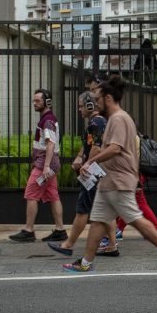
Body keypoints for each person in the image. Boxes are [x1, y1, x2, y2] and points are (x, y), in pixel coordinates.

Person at [61, 76, 157, 272]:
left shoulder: (118, 119)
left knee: (135, 218)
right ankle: (85, 262)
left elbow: (115, 148)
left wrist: (90, 161)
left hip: (119, 180)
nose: (95, 103)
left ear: (108, 98)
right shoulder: (113, 119)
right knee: (99, 220)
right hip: (109, 182)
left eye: (98, 99)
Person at [47, 91, 120, 258]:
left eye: (81, 106)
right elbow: (88, 145)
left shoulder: (97, 122)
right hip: (99, 171)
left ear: (89, 105)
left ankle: (68, 244)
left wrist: (87, 164)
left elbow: (96, 147)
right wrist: (80, 157)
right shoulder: (96, 122)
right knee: (105, 209)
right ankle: (112, 245)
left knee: (82, 209)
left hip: (94, 173)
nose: (79, 110)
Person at [10, 88, 65, 243]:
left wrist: (46, 166)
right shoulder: (48, 119)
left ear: (47, 102)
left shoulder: (47, 121)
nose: (34, 103)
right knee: (53, 196)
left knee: (31, 194)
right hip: (49, 164)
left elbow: (50, 143)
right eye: (34, 100)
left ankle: (29, 230)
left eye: (37, 101)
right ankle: (60, 230)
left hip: (43, 164)